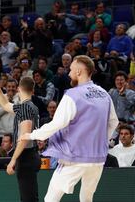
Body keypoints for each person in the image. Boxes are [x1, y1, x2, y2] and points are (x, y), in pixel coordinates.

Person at [20, 55, 119, 202]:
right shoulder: (104, 93)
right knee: (87, 198)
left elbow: (56, 124)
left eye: (71, 69)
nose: (68, 73)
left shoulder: (73, 95)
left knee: (51, 198)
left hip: (75, 156)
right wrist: (100, 141)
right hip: (98, 158)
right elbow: (113, 122)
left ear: (79, 71)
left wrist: (30, 135)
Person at [0, 65, 41, 202]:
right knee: (30, 196)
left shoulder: (25, 108)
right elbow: (5, 104)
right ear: (33, 90)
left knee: (28, 198)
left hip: (26, 156)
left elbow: (24, 138)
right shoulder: (31, 106)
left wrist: (13, 160)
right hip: (31, 154)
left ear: (19, 89)